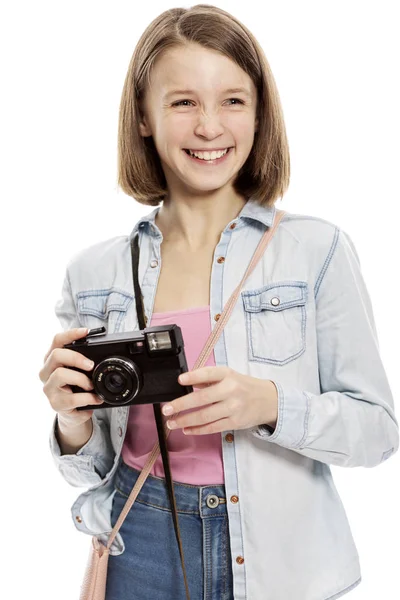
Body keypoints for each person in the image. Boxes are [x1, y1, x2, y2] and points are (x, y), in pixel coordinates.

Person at [39, 5, 399, 600]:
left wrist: (268, 403)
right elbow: (89, 469)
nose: (210, 127)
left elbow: (378, 430)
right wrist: (72, 421)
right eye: (183, 102)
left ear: (260, 114)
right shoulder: (93, 273)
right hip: (140, 539)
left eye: (233, 100)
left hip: (278, 553)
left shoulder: (317, 249)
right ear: (145, 118)